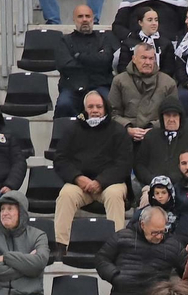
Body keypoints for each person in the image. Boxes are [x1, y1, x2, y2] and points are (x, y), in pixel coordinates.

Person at [51, 90, 132, 252]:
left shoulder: (118, 131)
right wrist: (78, 178)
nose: (95, 110)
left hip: (110, 184)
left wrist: (100, 181)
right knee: (65, 195)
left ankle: (116, 248)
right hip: (80, 184)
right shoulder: (73, 129)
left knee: (115, 195)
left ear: (105, 108)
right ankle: (61, 246)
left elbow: (123, 163)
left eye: (99, 106)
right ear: (84, 109)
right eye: (91, 107)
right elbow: (61, 159)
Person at [51, 6, 117, 117]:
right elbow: (65, 65)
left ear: (93, 18)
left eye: (88, 16)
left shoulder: (104, 38)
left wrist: (79, 57)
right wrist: (95, 61)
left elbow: (105, 61)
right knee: (64, 104)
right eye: (80, 16)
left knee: (111, 104)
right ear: (74, 19)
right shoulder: (64, 40)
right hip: (72, 87)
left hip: (100, 85)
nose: (84, 19)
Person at [109, 42, 179, 143]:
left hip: (158, 137)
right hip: (126, 137)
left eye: (151, 58)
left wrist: (153, 129)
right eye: (143, 58)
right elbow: (113, 113)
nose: (148, 62)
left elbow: (173, 115)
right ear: (134, 59)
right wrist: (128, 128)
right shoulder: (119, 81)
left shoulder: (168, 83)